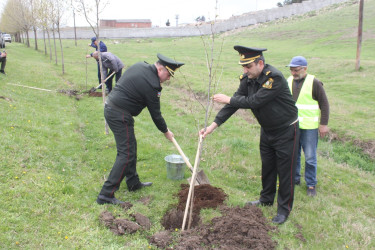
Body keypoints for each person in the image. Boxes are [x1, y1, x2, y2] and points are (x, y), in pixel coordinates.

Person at [200, 45, 299, 225]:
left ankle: (284, 210)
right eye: (243, 67)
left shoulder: (273, 78)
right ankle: (266, 199)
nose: (245, 71)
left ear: (260, 63)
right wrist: (212, 126)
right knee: (268, 167)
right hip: (267, 130)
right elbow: (234, 104)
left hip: (286, 130)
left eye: (248, 67)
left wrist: (229, 98)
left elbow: (255, 101)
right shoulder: (248, 79)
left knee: (285, 172)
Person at [97, 53, 184, 205]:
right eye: (168, 74)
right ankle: (106, 194)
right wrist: (166, 132)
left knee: (131, 149)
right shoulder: (152, 85)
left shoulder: (140, 66)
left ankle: (133, 183)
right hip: (119, 114)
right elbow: (156, 115)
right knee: (126, 154)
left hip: (114, 108)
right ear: (160, 69)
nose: (169, 78)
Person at [286, 56, 330, 197]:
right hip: (292, 126)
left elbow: (324, 104)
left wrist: (323, 124)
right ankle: (295, 179)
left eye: (296, 70)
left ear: (305, 69)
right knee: (294, 154)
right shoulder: (288, 80)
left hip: (309, 127)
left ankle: (311, 184)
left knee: (310, 157)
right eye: (291, 70)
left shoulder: (314, 83)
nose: (293, 72)